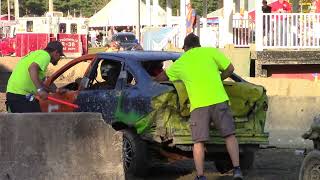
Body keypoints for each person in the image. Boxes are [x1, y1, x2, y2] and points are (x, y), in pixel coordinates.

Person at [155, 33, 243, 180]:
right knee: (229, 135)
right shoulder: (211, 52)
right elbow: (230, 69)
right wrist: (218, 79)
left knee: (199, 141)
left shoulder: (182, 62)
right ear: (198, 44)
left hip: (199, 104)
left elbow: (162, 78)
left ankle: (201, 176)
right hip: (219, 99)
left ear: (186, 48)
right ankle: (237, 170)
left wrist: (151, 78)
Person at [5, 41, 65, 113]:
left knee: (36, 117)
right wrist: (40, 90)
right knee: (36, 120)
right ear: (56, 53)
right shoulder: (45, 55)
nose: (59, 58)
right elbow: (32, 68)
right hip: (20, 95)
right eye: (60, 56)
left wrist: (56, 90)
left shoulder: (37, 54)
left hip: (16, 94)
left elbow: (42, 81)